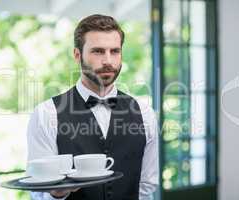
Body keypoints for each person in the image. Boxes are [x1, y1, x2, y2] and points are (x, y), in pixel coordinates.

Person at [26, 14, 159, 200]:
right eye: (98, 51)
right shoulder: (46, 114)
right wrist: (56, 194)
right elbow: (39, 193)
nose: (108, 61)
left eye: (115, 51)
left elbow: (147, 186)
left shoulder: (145, 113)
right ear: (77, 55)